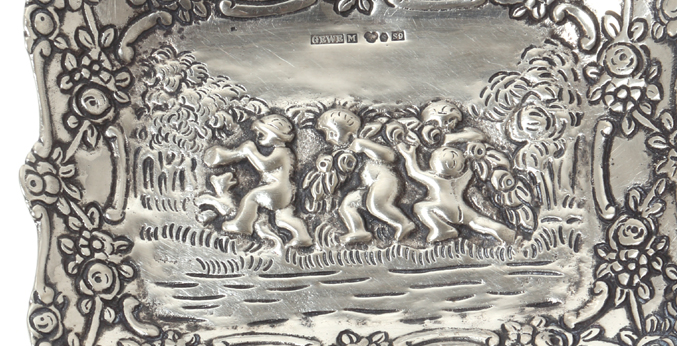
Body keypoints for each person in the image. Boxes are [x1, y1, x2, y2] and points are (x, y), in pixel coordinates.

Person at [204, 114, 312, 247]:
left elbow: (264, 165)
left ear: (276, 135)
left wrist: (251, 151)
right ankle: (303, 237)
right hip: (284, 191)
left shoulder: (281, 152)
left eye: (262, 132)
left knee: (252, 198)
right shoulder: (281, 151)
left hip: (276, 189)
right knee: (283, 219)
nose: (258, 136)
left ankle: (242, 224)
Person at [316, 108, 415, 245]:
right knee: (347, 205)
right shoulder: (346, 151)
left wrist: (364, 145)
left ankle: (403, 223)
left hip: (385, 180)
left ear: (348, 133)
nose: (328, 138)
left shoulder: (362, 142)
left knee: (376, 205)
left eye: (332, 133)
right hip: (369, 185)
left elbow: (390, 156)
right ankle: (358, 231)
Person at [397, 141, 514, 244]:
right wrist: (472, 158)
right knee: (477, 221)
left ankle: (442, 229)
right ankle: (504, 231)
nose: (452, 157)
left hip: (443, 208)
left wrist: (409, 155)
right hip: (462, 209)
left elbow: (413, 172)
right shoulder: (461, 178)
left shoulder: (434, 179)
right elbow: (470, 170)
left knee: (421, 207)